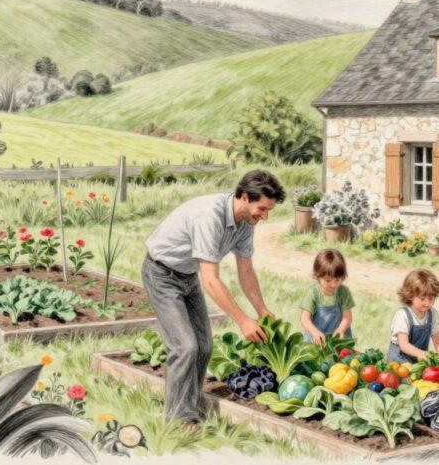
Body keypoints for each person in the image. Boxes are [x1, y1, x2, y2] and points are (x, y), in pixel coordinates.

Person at [141, 169, 284, 428]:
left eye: (268, 211)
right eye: (262, 209)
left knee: (204, 346)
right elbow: (211, 280)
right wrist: (243, 320)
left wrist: (261, 309)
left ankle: (189, 404)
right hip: (161, 273)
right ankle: (179, 421)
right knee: (185, 347)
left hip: (187, 275)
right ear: (244, 196)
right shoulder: (210, 216)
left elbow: (246, 271)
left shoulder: (245, 223)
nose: (264, 216)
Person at [386, 269, 439, 363]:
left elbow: (438, 341)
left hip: (418, 360)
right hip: (399, 360)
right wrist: (421, 354)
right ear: (410, 295)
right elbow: (403, 345)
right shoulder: (403, 315)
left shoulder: (432, 314)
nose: (427, 303)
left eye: (431, 299)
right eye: (422, 299)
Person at [300, 248, 354, 344]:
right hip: (316, 341)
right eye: (328, 280)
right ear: (317, 276)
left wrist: (341, 330)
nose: (333, 285)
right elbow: (305, 319)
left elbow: (347, 317)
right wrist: (315, 332)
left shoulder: (343, 292)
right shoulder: (313, 293)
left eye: (337, 280)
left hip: (338, 342)